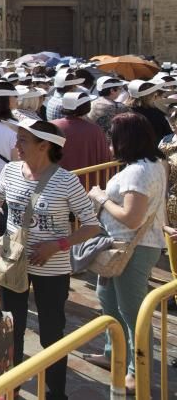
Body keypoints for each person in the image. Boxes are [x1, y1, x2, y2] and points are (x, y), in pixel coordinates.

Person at [0, 118, 100, 400]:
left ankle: (56, 393)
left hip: (52, 269)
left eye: (23, 141)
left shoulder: (67, 180)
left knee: (51, 332)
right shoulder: (10, 170)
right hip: (13, 264)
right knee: (11, 330)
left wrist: (58, 245)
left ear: (44, 146)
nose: (16, 145)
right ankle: (10, 388)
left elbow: (91, 225)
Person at [80, 113, 169, 394]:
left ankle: (136, 371)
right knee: (107, 300)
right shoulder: (152, 164)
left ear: (124, 141)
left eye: (112, 139)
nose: (109, 145)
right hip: (119, 247)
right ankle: (113, 354)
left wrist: (101, 198)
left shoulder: (138, 172)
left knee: (133, 313)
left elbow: (132, 219)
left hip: (132, 249)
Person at [51, 91, 112, 174]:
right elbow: (105, 157)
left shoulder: (52, 126)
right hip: (87, 181)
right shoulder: (94, 130)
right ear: (86, 107)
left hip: (56, 181)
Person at [127, 79, 171, 145]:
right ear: (151, 96)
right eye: (155, 94)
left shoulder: (125, 113)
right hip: (155, 150)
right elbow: (168, 134)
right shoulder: (155, 114)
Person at [88, 76, 129, 141]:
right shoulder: (119, 107)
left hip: (93, 141)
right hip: (111, 144)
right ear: (112, 90)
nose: (120, 91)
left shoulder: (90, 103)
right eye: (120, 89)